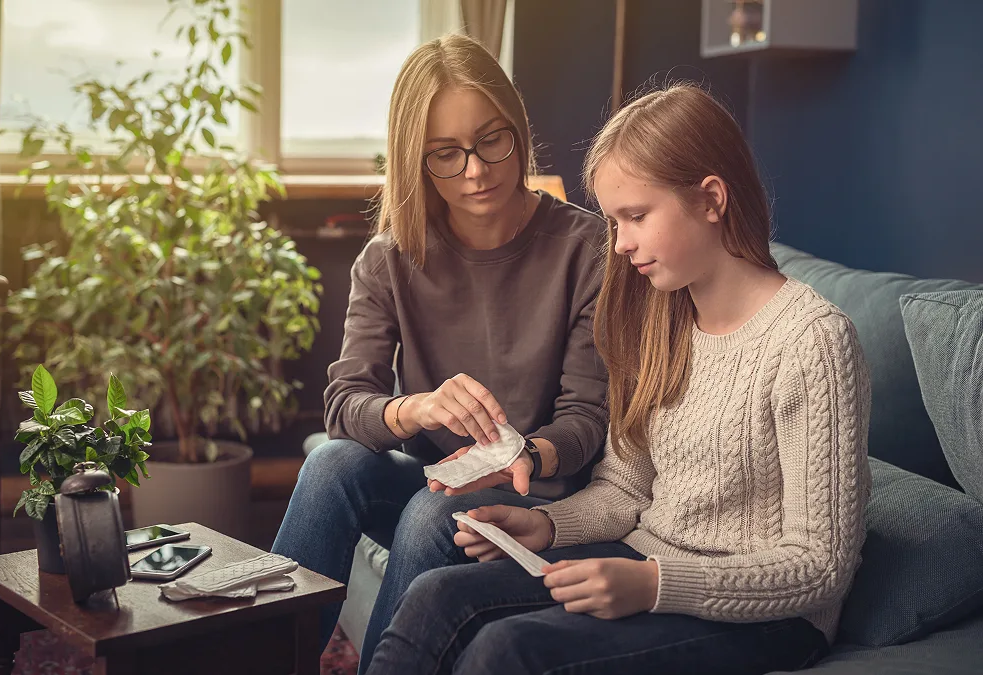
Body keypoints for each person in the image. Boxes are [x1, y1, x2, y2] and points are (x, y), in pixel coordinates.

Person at [367, 82, 873, 675]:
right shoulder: (661, 322)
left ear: (711, 199)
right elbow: (629, 490)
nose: (621, 244)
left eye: (635, 216)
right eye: (613, 221)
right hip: (644, 560)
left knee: (508, 649)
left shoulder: (812, 341)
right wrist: (546, 525)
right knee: (437, 595)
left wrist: (654, 585)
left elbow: (821, 566)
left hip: (770, 620)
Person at [270, 34, 609, 671]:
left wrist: (520, 456)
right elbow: (345, 405)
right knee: (330, 467)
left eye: (491, 140)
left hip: (536, 490)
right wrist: (418, 409)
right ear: (415, 160)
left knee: (433, 514)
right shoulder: (390, 257)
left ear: (517, 126)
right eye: (445, 154)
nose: (476, 171)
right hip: (432, 476)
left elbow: (588, 419)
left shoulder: (585, 247)